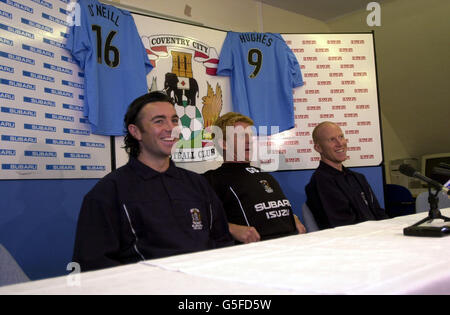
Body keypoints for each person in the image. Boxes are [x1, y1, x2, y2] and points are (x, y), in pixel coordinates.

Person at [73, 92, 233, 272]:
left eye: (174, 120)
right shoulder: (108, 192)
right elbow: (93, 264)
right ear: (135, 132)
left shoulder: (198, 184)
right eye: (159, 121)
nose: (170, 128)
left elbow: (222, 241)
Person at [203, 112, 306, 244]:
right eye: (241, 136)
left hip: (291, 245)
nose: (249, 140)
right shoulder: (212, 180)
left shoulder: (265, 176)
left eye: (251, 135)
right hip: (256, 253)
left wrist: (293, 217)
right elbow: (198, 220)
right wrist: (230, 229)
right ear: (224, 144)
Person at [305, 121, 388, 230]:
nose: (340, 143)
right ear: (318, 148)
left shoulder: (358, 178)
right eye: (332, 139)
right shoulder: (321, 182)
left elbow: (379, 213)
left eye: (341, 137)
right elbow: (343, 226)